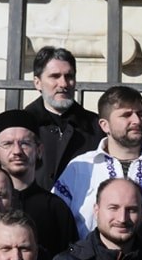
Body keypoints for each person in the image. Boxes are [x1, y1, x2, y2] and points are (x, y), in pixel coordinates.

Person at [55, 85, 142, 235]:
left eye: (140, 114)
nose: (136, 120)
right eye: (126, 115)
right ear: (105, 125)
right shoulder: (80, 167)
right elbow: (57, 218)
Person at [0, 109, 79, 258]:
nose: (17, 151)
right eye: (8, 144)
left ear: (39, 150)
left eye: (25, 143)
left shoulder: (56, 209)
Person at [20, 47, 101, 187]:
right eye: (55, 76)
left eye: (69, 76)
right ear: (37, 82)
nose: (63, 84)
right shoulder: (21, 125)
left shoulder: (96, 127)